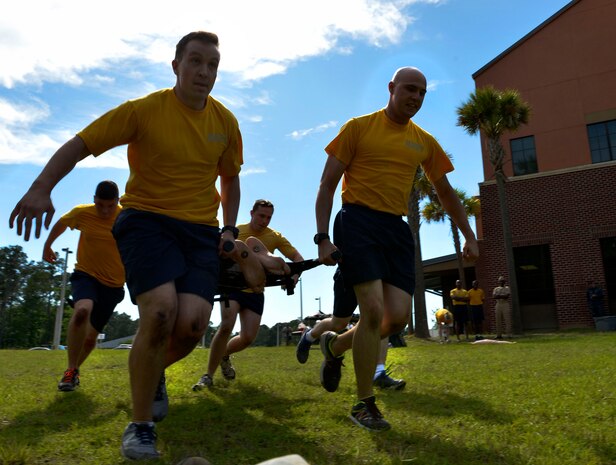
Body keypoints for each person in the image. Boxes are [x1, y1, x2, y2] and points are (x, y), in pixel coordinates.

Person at [9, 31, 253, 460]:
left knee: (192, 327)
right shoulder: (143, 111)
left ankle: (151, 370)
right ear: (175, 65)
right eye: (195, 61)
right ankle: (140, 426)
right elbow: (81, 144)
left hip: (200, 230)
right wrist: (41, 187)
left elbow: (230, 179)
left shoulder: (226, 123)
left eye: (212, 65)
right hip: (145, 220)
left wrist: (229, 229)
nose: (204, 72)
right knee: (160, 313)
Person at [313, 66, 479, 432]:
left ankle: (334, 347)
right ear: (391, 88)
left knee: (395, 320)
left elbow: (446, 192)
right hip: (356, 221)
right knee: (371, 311)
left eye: (422, 93)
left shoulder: (423, 140)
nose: (415, 98)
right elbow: (327, 184)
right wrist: (322, 237)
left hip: (395, 229)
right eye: (409, 89)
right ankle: (363, 403)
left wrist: (469, 233)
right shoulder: (358, 127)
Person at [193, 199, 303, 390]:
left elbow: (298, 259)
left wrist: (294, 275)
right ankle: (207, 376)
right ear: (252, 213)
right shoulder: (236, 231)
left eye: (269, 217)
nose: (264, 221)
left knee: (248, 337)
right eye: (261, 216)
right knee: (226, 326)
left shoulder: (275, 237)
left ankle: (224, 355)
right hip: (232, 287)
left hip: (256, 290)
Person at [43, 180, 125, 392]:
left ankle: (74, 372)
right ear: (94, 200)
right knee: (82, 311)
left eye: (110, 206)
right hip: (85, 275)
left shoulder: (125, 216)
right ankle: (70, 370)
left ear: (117, 201)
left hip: (114, 284)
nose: (105, 211)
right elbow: (61, 223)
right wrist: (47, 245)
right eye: (100, 205)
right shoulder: (82, 213)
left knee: (90, 340)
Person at [296, 267, 406, 390]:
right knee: (339, 322)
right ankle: (309, 336)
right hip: (353, 263)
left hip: (381, 267)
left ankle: (378, 373)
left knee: (380, 317)